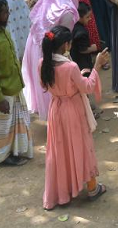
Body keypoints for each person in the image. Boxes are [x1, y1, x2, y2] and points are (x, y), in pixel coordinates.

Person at [41, 25, 109, 211]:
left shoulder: (43, 63)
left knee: (60, 149)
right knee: (82, 147)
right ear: (65, 45)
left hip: (56, 109)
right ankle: (92, 188)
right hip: (73, 109)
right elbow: (87, 88)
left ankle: (64, 190)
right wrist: (96, 67)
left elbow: (47, 85)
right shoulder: (70, 66)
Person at [0, 0, 33, 167]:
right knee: (2, 126)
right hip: (2, 91)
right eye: (5, 13)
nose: (8, 15)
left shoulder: (2, 29)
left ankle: (14, 150)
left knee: (13, 123)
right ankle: (2, 157)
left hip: (14, 85)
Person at [22, 0, 81, 120]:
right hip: (50, 50)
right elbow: (64, 40)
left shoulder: (47, 0)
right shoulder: (67, 11)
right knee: (58, 84)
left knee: (46, 83)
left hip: (35, 45)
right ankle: (60, 118)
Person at [70, 2, 100, 73]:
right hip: (82, 62)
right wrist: (92, 48)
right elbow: (82, 50)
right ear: (79, 17)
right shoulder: (81, 33)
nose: (90, 18)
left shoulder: (73, 25)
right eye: (87, 17)